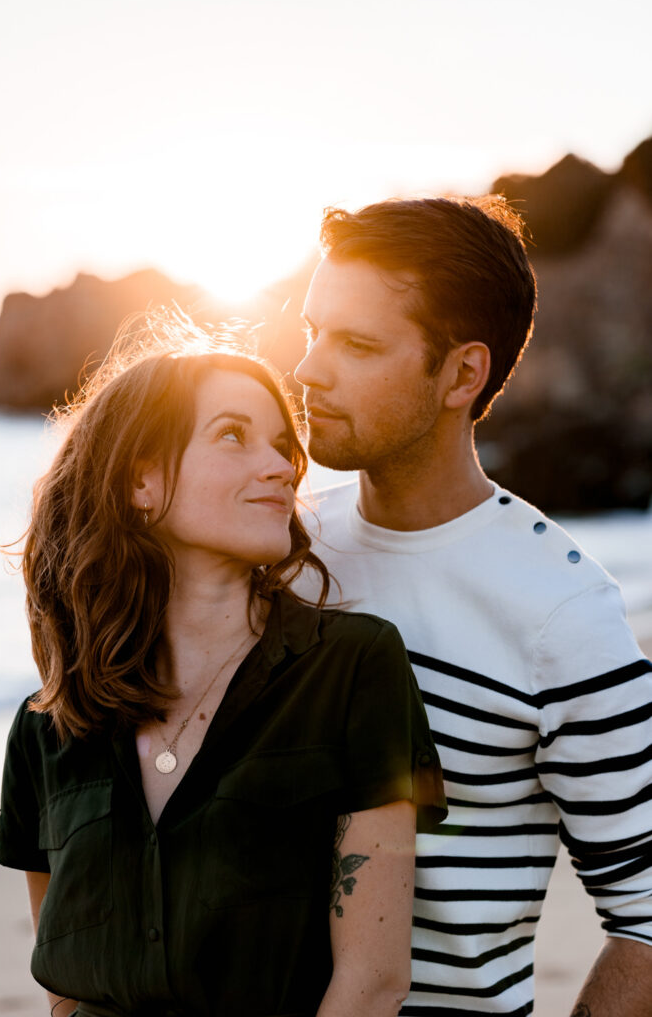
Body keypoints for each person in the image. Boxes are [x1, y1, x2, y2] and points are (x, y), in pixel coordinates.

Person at [0, 318, 447, 1017]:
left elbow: (371, 981)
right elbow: (66, 989)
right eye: (233, 436)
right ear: (140, 481)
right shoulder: (45, 731)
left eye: (280, 445)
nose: (280, 467)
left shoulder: (351, 666)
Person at [294, 197, 652, 1017]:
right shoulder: (282, 554)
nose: (309, 369)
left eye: (355, 344)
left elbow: (645, 915)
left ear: (462, 374)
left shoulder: (562, 614)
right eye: (312, 331)